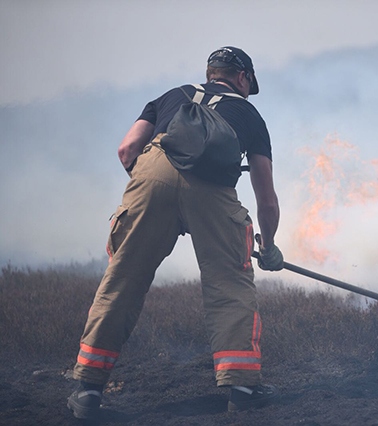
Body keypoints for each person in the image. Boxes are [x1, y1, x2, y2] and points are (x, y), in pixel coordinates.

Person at [67, 46, 284, 420]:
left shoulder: (171, 96)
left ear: (210, 72)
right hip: (213, 191)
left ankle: (87, 388)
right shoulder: (249, 114)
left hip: (151, 175)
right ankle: (243, 387)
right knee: (228, 285)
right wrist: (269, 244)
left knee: (122, 280)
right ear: (243, 78)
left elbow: (127, 149)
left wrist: (157, 193)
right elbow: (265, 196)